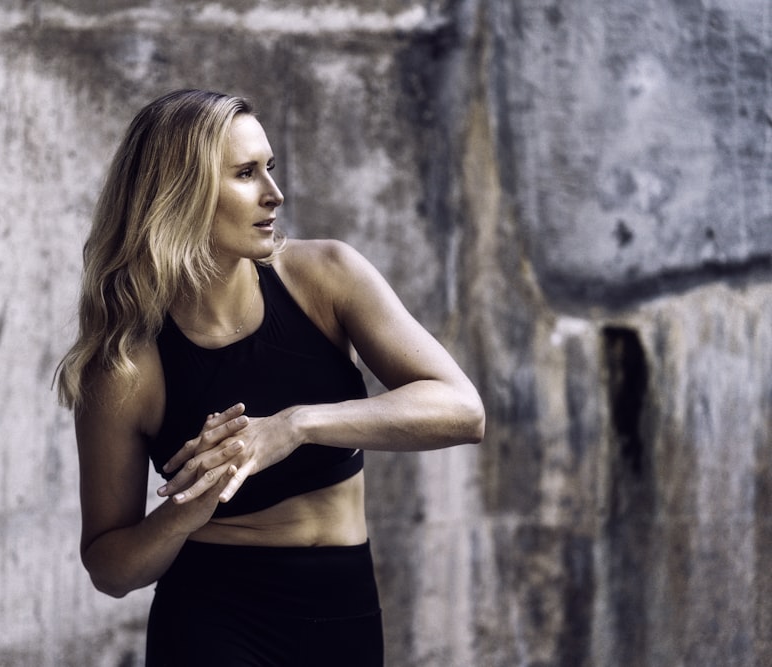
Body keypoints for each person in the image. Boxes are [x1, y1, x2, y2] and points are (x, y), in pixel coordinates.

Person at [55, 89, 485, 666]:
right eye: (245, 174)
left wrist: (297, 425)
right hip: (214, 625)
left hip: (347, 615)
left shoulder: (326, 276)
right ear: (180, 195)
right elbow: (109, 568)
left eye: (270, 169)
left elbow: (462, 409)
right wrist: (183, 513)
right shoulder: (128, 367)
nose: (274, 194)